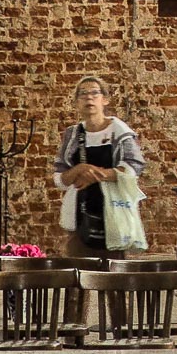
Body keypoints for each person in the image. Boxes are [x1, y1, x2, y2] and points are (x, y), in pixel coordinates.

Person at [54, 75, 145, 316]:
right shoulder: (73, 135)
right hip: (80, 217)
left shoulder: (120, 133)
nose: (89, 98)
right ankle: (73, 329)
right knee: (76, 281)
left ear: (105, 99)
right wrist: (79, 170)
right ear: (76, 102)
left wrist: (97, 175)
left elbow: (134, 167)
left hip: (113, 217)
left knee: (115, 282)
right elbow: (60, 177)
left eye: (94, 92)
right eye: (83, 94)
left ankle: (120, 329)